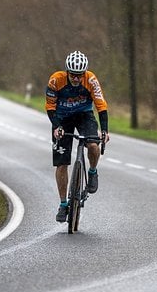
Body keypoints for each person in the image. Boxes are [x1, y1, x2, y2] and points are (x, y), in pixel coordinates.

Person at [46, 50, 110, 223]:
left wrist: (104, 130)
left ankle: (92, 171)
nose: (75, 79)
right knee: (61, 163)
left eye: (79, 75)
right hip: (62, 117)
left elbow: (101, 106)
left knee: (93, 145)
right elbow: (50, 107)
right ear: (67, 72)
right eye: (73, 75)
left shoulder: (91, 80)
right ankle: (63, 203)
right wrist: (56, 126)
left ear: (84, 73)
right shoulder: (55, 80)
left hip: (84, 116)